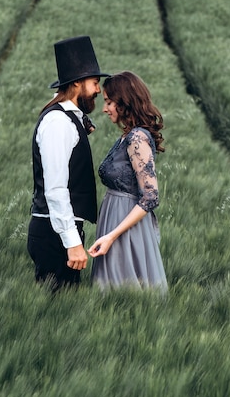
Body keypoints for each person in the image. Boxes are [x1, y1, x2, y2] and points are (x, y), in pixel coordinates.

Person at [27, 36, 108, 291]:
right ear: (76, 83)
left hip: (60, 230)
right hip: (54, 234)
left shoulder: (66, 118)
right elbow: (56, 188)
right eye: (95, 83)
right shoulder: (58, 123)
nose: (98, 90)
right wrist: (72, 242)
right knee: (53, 315)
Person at [88, 71, 168, 291]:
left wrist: (112, 235)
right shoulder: (127, 136)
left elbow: (151, 196)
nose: (105, 108)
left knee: (124, 290)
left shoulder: (137, 138)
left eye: (109, 102)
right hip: (114, 219)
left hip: (125, 227)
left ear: (125, 102)